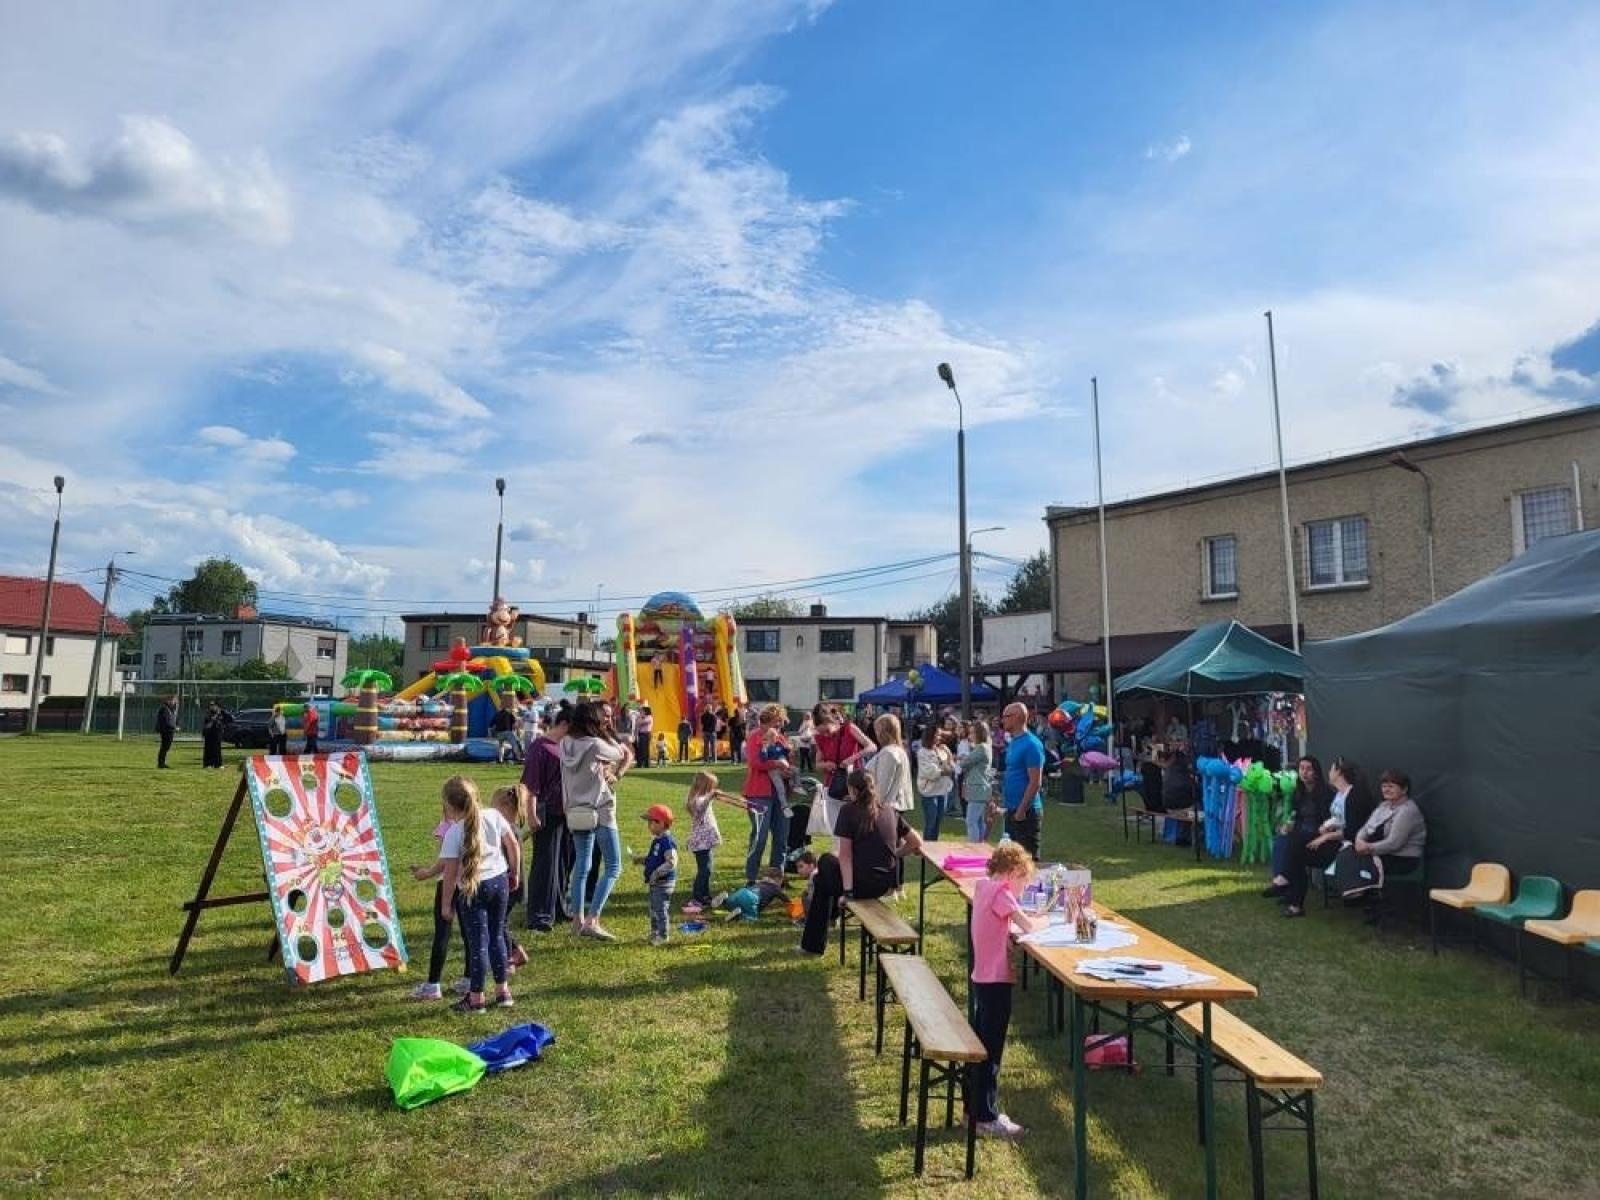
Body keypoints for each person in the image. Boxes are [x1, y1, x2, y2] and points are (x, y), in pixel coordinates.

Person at [798, 768, 923, 955]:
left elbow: (845, 856)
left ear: (852, 790)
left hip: (860, 885)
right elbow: (916, 842)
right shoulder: (889, 810)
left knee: (824, 862)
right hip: (884, 883)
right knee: (820, 881)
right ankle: (814, 941)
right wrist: (895, 854)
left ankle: (813, 945)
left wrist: (848, 893)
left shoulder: (848, 811)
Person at [968, 840, 1045, 1139]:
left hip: (982, 976)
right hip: (996, 978)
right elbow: (1028, 926)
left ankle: (972, 1109)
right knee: (991, 1050)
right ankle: (986, 1115)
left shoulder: (984, 888)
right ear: (1013, 873)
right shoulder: (1002, 894)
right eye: (1023, 882)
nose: (1023, 890)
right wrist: (1041, 921)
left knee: (980, 1043)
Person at [435, 775, 520, 1013]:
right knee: (497, 937)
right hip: (499, 882)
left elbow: (450, 875)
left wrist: (445, 906)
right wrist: (515, 873)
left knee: (478, 944)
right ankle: (503, 992)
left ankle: (476, 998)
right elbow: (512, 844)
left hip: (472, 889)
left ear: (451, 806)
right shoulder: (494, 815)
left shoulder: (453, 833)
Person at [561, 701, 630, 941]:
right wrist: (605, 732)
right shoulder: (595, 744)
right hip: (600, 809)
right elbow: (621, 752)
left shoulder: (566, 743)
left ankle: (577, 919)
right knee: (613, 866)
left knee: (582, 867)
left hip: (577, 810)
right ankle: (593, 919)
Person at [1281, 759, 1376, 917]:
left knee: (1296, 849)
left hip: (1346, 847)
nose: (1329, 772)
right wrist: (1325, 826)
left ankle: (1291, 896)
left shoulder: (1354, 796)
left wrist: (1325, 837)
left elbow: (1352, 830)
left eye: (1332, 769)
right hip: (1333, 840)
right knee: (1294, 845)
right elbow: (1336, 819)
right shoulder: (1340, 794)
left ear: (1339, 773)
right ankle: (1292, 897)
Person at [520, 708, 567, 932]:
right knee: (544, 864)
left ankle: (556, 908)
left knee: (559, 863)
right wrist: (531, 813)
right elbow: (530, 784)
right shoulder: (540, 746)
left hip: (562, 813)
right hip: (545, 812)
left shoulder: (563, 747)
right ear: (565, 724)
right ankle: (538, 915)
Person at [1263, 757, 1334, 897]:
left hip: (1317, 833)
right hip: (1300, 830)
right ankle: (1282, 881)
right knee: (1281, 838)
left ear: (1316, 772)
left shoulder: (1325, 793)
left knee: (1291, 842)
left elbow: (1328, 821)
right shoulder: (1299, 792)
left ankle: (1283, 881)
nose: (1304, 772)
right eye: (1301, 768)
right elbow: (1296, 815)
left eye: (1308, 769)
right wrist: (1289, 824)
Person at [682, 770, 749, 915]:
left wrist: (737, 800)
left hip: (704, 842)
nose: (713, 789)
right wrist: (711, 795)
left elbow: (711, 800)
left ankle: (704, 896)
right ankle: (697, 898)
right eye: (711, 786)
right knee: (704, 870)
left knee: (707, 870)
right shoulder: (697, 800)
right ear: (705, 786)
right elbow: (702, 805)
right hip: (701, 843)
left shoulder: (703, 798)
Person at [742, 704, 793, 883]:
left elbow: (787, 760)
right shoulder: (754, 737)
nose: (779, 727)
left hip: (780, 795)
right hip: (758, 793)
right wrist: (777, 764)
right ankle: (751, 876)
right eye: (776, 723)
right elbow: (755, 762)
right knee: (760, 836)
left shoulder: (780, 739)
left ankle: (776, 878)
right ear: (766, 722)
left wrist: (788, 771)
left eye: (780, 724)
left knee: (781, 836)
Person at [1354, 769, 1426, 880]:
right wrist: (1359, 840)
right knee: (1348, 854)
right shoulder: (1383, 805)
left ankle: (1357, 894)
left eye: (1391, 786)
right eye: (1384, 786)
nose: (1386, 789)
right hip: (1381, 853)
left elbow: (1394, 843)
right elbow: (1366, 827)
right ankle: (1355, 893)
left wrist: (1368, 848)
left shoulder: (1408, 811)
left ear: (1404, 789)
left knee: (1358, 861)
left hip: (1402, 859)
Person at [998, 703, 1044, 857]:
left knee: (1027, 862)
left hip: (1026, 812)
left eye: (1005, 716)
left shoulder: (1031, 744)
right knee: (1011, 863)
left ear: (1017, 717)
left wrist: (1021, 810)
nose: (1002, 720)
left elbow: (1035, 781)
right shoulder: (1013, 742)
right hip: (1012, 810)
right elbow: (1013, 772)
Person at [638, 803, 678, 945]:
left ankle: (663, 936)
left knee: (660, 910)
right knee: (654, 909)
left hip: (663, 883)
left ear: (661, 823)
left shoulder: (667, 841)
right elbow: (654, 859)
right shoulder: (657, 840)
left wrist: (657, 872)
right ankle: (655, 933)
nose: (648, 825)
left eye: (650, 822)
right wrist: (641, 860)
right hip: (655, 883)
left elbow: (671, 862)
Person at [915, 724, 956, 841]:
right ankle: (927, 849)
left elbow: (952, 767)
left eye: (940, 735)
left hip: (943, 791)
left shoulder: (942, 749)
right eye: (937, 734)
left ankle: (935, 846)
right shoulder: (923, 752)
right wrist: (945, 771)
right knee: (931, 823)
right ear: (930, 735)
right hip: (930, 793)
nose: (939, 737)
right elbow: (930, 772)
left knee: (938, 823)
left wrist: (948, 755)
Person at [957, 721, 994, 844]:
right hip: (980, 788)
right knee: (978, 821)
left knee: (971, 821)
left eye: (972, 732)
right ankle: (980, 845)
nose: (970, 735)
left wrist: (962, 758)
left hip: (978, 789)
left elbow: (964, 763)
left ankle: (974, 848)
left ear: (979, 733)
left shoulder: (981, 748)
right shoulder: (985, 747)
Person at [714, 865, 790, 921]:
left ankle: (725, 900)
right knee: (752, 918)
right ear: (777, 879)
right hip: (752, 898)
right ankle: (740, 916)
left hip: (742, 891)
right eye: (781, 881)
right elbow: (785, 899)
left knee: (731, 905)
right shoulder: (775, 887)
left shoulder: (760, 882)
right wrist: (790, 903)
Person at [761, 724, 795, 817]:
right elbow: (764, 760)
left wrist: (789, 749)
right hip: (774, 771)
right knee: (781, 788)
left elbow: (786, 752)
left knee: (795, 772)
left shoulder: (779, 744)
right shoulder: (766, 747)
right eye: (774, 737)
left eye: (776, 737)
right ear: (770, 737)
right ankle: (785, 807)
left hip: (783, 768)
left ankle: (795, 786)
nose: (775, 739)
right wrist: (764, 748)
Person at [201, 702, 226, 769]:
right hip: (209, 734)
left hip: (217, 734)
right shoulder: (208, 713)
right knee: (208, 749)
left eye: (214, 705)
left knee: (217, 749)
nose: (212, 707)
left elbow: (227, 719)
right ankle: (208, 764)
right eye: (211, 705)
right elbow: (207, 723)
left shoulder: (221, 714)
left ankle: (218, 764)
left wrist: (222, 712)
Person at [156, 695, 178, 768]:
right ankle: (161, 763)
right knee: (165, 747)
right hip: (166, 731)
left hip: (169, 730)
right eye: (174, 701)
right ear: (169, 701)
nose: (175, 702)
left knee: (166, 747)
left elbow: (172, 719)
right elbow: (166, 721)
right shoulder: (164, 709)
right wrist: (174, 727)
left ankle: (162, 763)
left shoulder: (170, 709)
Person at [635, 703, 654, 768]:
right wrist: (640, 717)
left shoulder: (649, 717)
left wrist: (640, 718)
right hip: (641, 734)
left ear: (646, 711)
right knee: (641, 749)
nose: (641, 712)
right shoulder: (641, 717)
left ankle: (646, 763)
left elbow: (640, 722)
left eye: (642, 710)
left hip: (646, 734)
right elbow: (637, 723)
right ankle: (640, 763)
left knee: (645, 749)